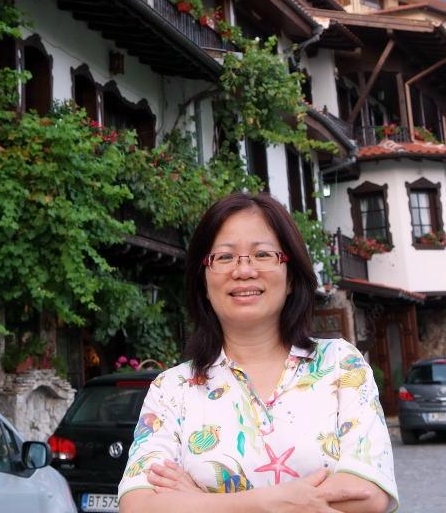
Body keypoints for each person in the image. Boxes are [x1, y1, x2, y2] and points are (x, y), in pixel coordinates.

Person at [118, 192, 398, 513]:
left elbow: (366, 493)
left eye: (263, 254)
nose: (244, 270)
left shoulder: (340, 365)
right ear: (204, 282)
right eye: (224, 257)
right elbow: (137, 505)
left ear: (291, 277)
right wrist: (274, 502)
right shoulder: (173, 389)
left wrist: (202, 502)